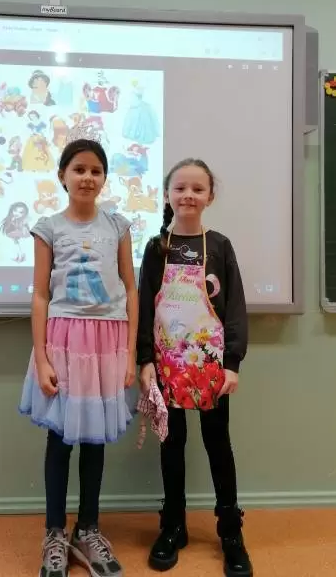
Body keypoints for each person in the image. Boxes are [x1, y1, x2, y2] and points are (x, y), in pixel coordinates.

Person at [19, 137, 138, 577]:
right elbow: (40, 294)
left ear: (104, 178)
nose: (87, 177)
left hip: (108, 343)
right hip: (63, 341)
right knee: (60, 438)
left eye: (96, 170)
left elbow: (130, 288)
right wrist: (42, 357)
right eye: (79, 169)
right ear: (63, 176)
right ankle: (54, 532)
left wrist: (130, 354)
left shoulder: (118, 226)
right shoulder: (48, 228)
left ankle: (88, 529)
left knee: (94, 437)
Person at [137, 158, 253, 577]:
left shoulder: (219, 246)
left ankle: (230, 532)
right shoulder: (157, 248)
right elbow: (143, 306)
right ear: (168, 195)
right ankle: (173, 525)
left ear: (210, 197)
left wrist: (232, 363)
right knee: (172, 444)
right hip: (167, 364)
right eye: (180, 188)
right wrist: (145, 360)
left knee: (217, 443)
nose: (188, 195)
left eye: (197, 189)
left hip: (210, 365)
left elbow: (235, 307)